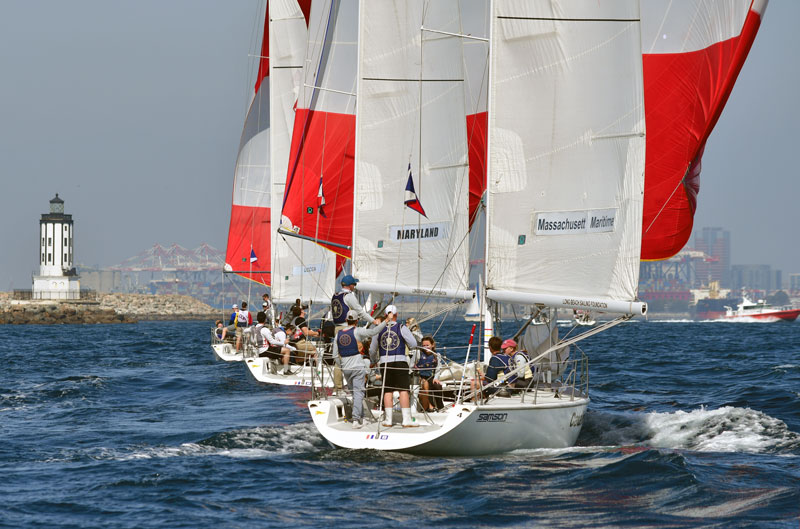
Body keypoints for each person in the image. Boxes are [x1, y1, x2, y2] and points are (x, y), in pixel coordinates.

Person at [332, 311, 387, 429]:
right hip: (357, 366)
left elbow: (335, 355)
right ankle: (356, 419)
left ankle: (361, 418)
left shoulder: (338, 334)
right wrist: (386, 321)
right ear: (356, 321)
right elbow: (373, 332)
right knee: (359, 393)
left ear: (346, 320)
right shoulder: (357, 331)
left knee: (354, 393)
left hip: (345, 368)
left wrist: (341, 365)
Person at [369, 305, 418, 427]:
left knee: (387, 390)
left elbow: (372, 349)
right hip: (400, 361)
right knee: (403, 390)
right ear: (396, 315)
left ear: (385, 315)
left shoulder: (378, 330)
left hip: (385, 363)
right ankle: (406, 420)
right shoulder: (402, 327)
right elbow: (413, 344)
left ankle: (388, 420)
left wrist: (373, 360)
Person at [415, 335, 442, 412]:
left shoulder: (437, 355)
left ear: (432, 345)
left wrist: (436, 378)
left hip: (431, 376)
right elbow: (411, 366)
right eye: (423, 345)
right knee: (426, 385)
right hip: (420, 376)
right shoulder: (418, 354)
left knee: (437, 385)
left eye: (427, 345)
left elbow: (438, 368)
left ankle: (440, 407)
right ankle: (430, 406)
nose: (425, 347)